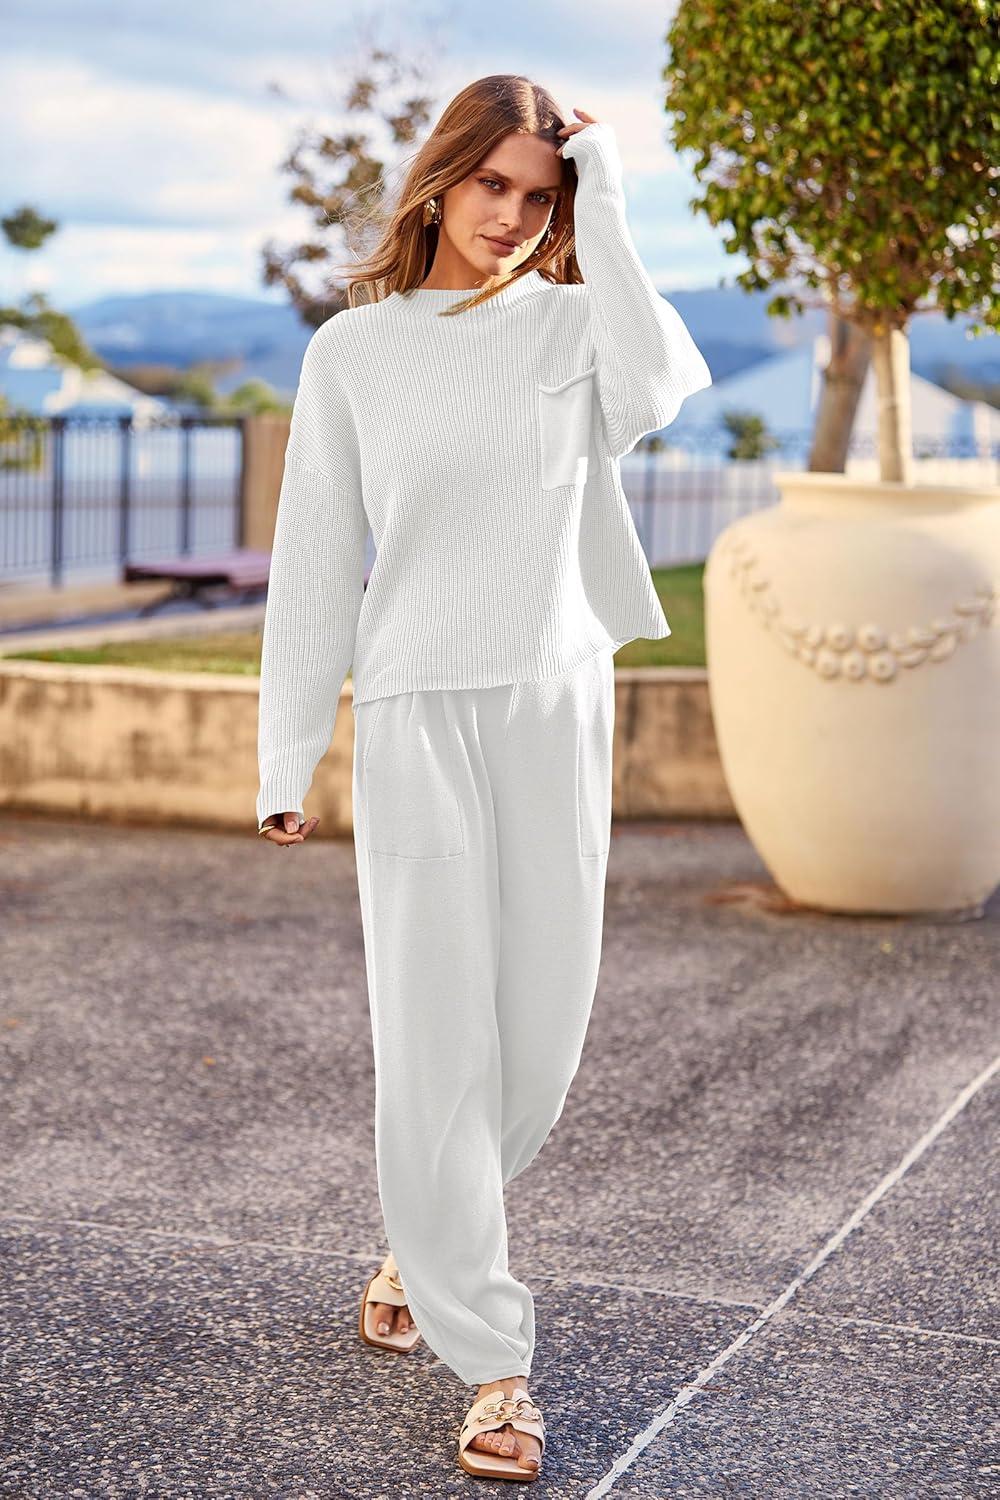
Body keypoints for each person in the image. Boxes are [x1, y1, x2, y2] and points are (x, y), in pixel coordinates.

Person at [255, 73, 711, 1483]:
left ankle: (425, 1233)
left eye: (540, 194)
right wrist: (287, 749)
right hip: (415, 708)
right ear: (442, 179)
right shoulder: (355, 352)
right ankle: (494, 1362)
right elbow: (315, 560)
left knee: (543, 1039)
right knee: (437, 1033)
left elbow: (658, 392)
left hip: (555, 699)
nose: (512, 215)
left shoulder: (579, 326)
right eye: (492, 183)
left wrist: (608, 190)